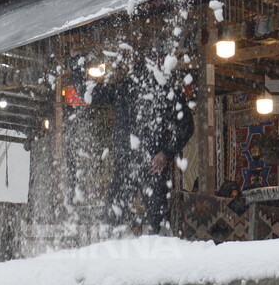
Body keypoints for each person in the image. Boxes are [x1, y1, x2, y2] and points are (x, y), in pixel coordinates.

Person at [70, 43, 194, 233]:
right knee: (114, 219)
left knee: (155, 223)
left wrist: (165, 153)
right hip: (128, 163)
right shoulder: (125, 88)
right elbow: (87, 95)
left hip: (152, 165)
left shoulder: (167, 91)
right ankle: (117, 254)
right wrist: (77, 63)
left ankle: (155, 253)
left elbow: (186, 126)